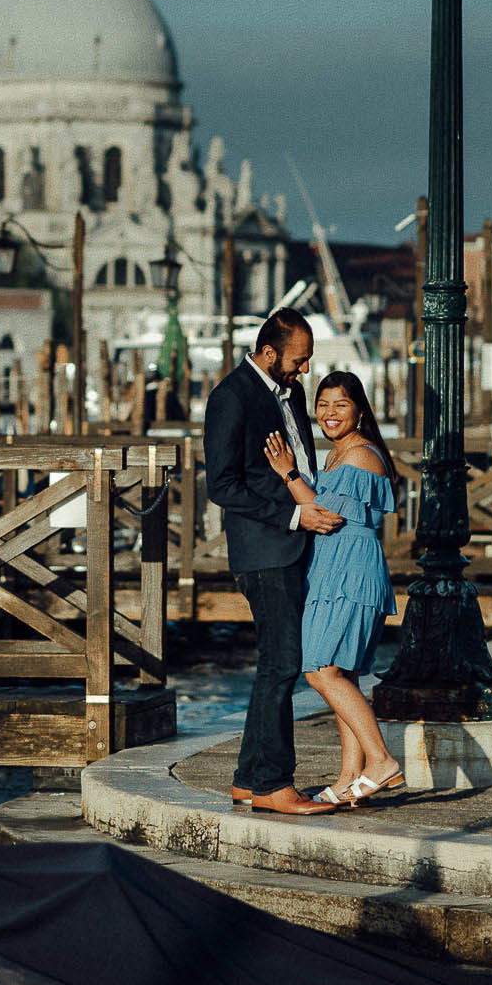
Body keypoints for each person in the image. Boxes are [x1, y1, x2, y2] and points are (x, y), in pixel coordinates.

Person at [204, 309, 341, 816]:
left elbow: (300, 460)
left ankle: (248, 778)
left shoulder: (293, 394)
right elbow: (221, 486)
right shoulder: (231, 397)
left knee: (277, 664)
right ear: (268, 353)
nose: (304, 371)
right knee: (282, 663)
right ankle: (273, 783)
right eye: (298, 361)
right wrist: (292, 517)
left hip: (294, 547)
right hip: (265, 550)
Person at [262, 372, 404, 807]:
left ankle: (381, 761)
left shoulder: (362, 456)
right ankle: (349, 776)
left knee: (320, 671)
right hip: (332, 565)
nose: (329, 413)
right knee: (341, 673)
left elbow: (324, 514)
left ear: (359, 410)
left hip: (351, 566)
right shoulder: (335, 457)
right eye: (323, 405)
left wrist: (287, 474)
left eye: (340, 405)